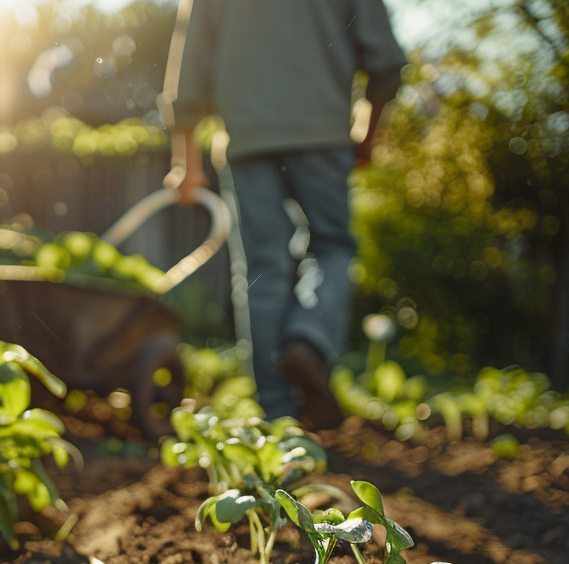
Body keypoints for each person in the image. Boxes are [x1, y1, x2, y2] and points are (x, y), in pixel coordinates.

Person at [161, 0, 407, 429]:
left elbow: (192, 60)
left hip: (246, 139)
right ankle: (309, 341)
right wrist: (368, 133)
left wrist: (187, 160)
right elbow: (385, 59)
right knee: (332, 247)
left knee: (262, 270)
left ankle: (277, 413)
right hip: (323, 134)